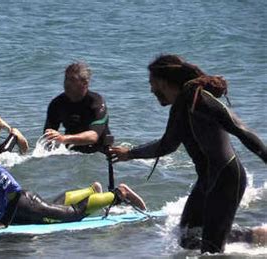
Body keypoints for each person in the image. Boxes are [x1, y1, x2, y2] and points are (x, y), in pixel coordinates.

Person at [109, 54, 267, 253]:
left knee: (211, 251)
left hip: (226, 179)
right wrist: (129, 154)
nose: (151, 90)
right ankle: (254, 236)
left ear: (163, 82)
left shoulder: (199, 100)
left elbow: (241, 130)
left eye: (152, 84)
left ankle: (247, 237)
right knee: (186, 237)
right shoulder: (182, 106)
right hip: (207, 181)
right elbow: (167, 144)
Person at [0, 125, 146, 228]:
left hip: (25, 206)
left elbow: (14, 192)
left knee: (72, 215)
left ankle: (119, 193)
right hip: (17, 215)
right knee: (57, 207)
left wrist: (3, 222)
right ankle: (91, 190)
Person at [44, 62, 111, 153]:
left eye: (72, 80)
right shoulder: (57, 103)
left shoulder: (96, 102)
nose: (67, 83)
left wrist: (63, 138)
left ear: (85, 83)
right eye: (66, 79)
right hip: (71, 153)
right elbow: (47, 138)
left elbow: (93, 136)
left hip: (98, 152)